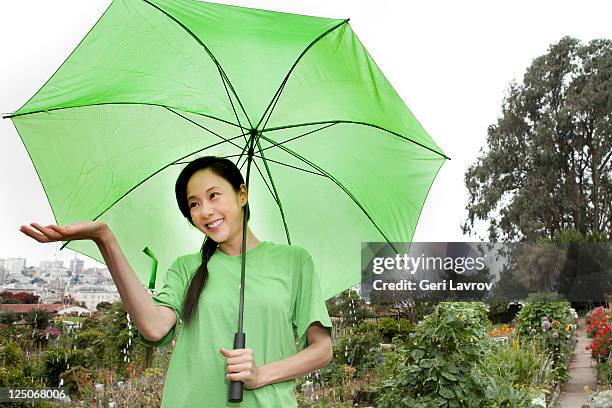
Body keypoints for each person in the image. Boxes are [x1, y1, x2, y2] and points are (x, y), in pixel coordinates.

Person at [19, 156, 333, 407]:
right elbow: (154, 327)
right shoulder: (188, 268)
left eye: (214, 196)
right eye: (193, 204)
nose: (205, 211)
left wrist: (261, 373)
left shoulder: (294, 261)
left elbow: (321, 349)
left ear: (242, 194)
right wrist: (105, 239)